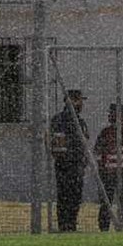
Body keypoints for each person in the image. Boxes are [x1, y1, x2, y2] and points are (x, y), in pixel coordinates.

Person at [93, 103, 123, 233]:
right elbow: (97, 151)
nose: (109, 116)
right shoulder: (106, 132)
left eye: (111, 113)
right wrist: (102, 168)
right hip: (109, 173)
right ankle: (105, 227)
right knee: (107, 201)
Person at [47, 88, 88, 233]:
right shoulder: (61, 120)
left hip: (74, 164)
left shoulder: (79, 121)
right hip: (67, 165)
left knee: (72, 197)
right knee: (67, 196)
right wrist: (68, 160)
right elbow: (57, 144)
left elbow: (84, 142)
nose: (82, 104)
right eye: (79, 101)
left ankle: (69, 225)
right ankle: (66, 226)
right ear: (73, 101)